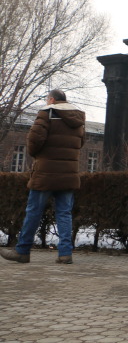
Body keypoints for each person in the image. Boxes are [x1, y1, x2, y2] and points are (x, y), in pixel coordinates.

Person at [1, 90, 85, 264]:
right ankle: (65, 254)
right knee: (64, 213)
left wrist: (37, 155)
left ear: (52, 99)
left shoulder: (47, 113)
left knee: (33, 212)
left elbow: (34, 140)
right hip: (69, 174)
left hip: (45, 172)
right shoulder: (78, 118)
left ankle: (22, 251)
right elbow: (81, 143)